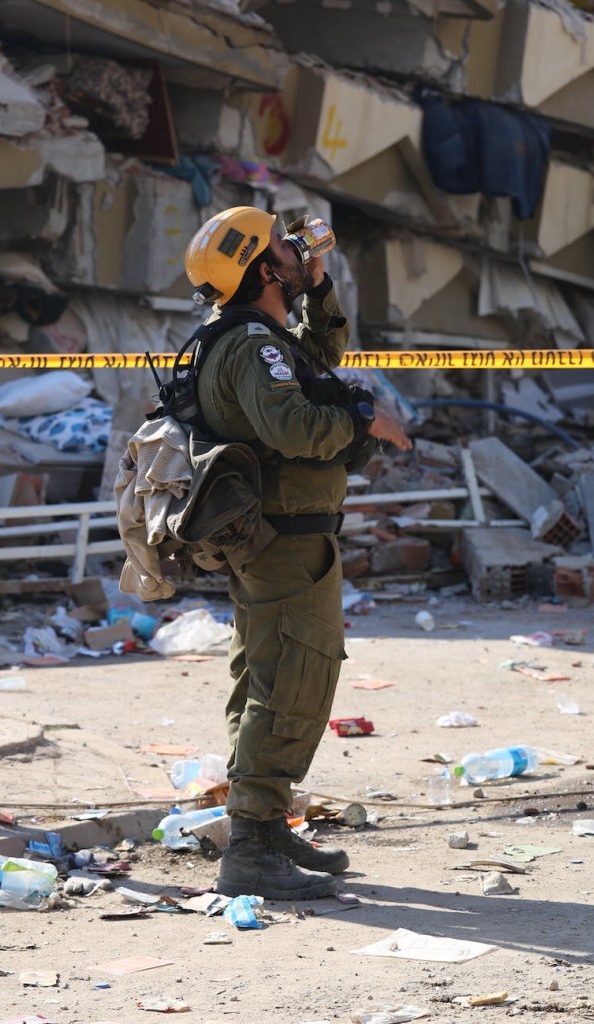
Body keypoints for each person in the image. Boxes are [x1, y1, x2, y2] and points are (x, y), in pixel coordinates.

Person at [184, 206, 412, 900]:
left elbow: (318, 359)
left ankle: (263, 825)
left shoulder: (253, 335)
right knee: (292, 683)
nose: (293, 246)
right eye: (281, 247)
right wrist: (362, 420)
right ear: (262, 271)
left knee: (265, 679)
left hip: (279, 536)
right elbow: (292, 425)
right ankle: (250, 849)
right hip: (285, 540)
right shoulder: (253, 345)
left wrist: (317, 285)